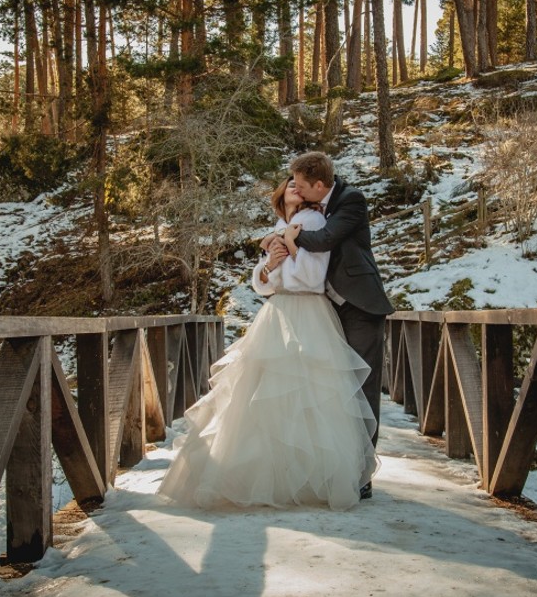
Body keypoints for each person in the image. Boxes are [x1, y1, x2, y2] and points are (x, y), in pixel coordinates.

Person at [157, 176, 378, 511]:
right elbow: (262, 283)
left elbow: (311, 278)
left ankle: (319, 477)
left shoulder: (314, 221)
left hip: (308, 311)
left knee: (311, 394)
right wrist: (270, 265)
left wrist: (286, 250)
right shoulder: (282, 225)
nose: (294, 186)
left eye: (298, 184)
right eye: (288, 183)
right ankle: (271, 475)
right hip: (278, 312)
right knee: (260, 393)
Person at [284, 152, 394, 500]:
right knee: (332, 388)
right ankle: (334, 466)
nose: (297, 191)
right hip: (330, 309)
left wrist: (290, 237)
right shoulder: (315, 207)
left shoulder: (351, 200)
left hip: (361, 307)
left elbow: (324, 240)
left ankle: (362, 474)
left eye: (302, 186)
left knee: (361, 388)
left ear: (320, 185)